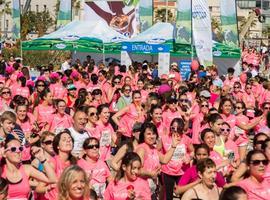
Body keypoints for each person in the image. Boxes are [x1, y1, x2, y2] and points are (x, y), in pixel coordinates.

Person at [136, 122, 179, 199]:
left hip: (151, 189)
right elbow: (137, 170)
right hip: (141, 190)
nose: (152, 136)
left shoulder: (153, 148)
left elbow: (165, 160)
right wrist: (151, 174)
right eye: (148, 134)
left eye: (154, 133)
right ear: (143, 135)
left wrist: (173, 146)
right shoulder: (141, 149)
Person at [161, 118, 194, 200]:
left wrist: (189, 158)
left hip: (182, 171)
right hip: (167, 171)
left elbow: (193, 151)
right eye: (173, 128)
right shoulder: (164, 138)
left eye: (178, 128)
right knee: (168, 196)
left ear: (182, 128)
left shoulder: (186, 139)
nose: (175, 130)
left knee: (184, 195)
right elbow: (157, 151)